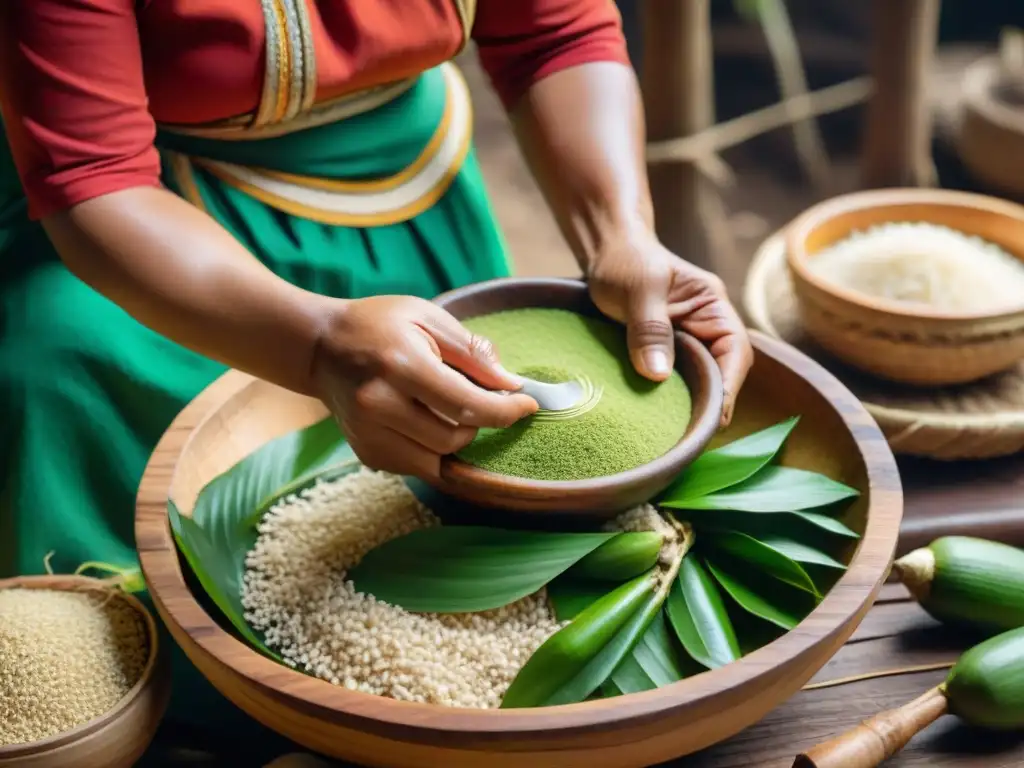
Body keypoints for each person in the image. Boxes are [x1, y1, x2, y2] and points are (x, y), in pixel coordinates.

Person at [0, 0, 752, 734]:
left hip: (409, 190)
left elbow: (555, 34)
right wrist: (318, 345)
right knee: (53, 366)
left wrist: (619, 233)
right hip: (152, 230)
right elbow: (94, 169)